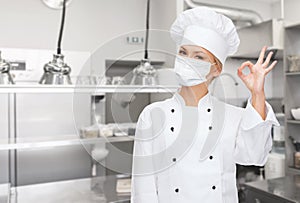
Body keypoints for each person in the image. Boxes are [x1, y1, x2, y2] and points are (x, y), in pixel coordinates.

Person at [130, 7, 280, 203]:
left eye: (198, 57)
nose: (187, 61)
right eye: (183, 52)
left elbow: (255, 157)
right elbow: (144, 189)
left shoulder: (233, 117)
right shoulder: (152, 115)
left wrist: (257, 93)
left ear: (216, 68)